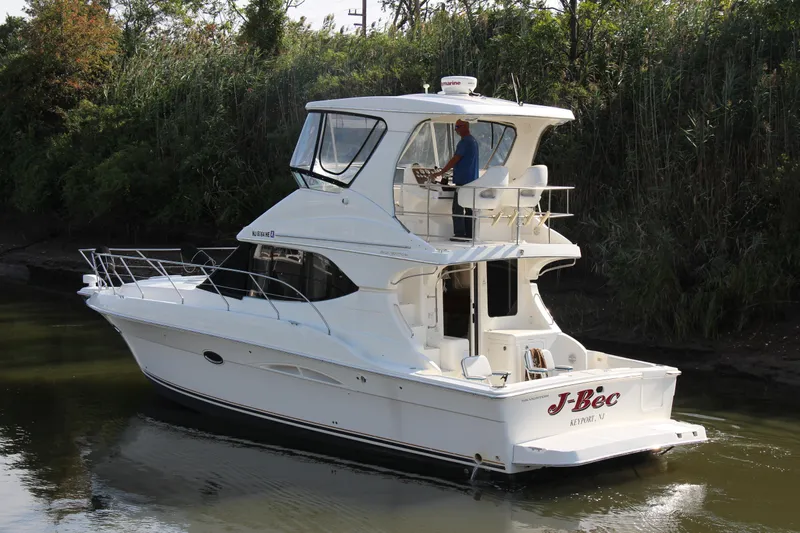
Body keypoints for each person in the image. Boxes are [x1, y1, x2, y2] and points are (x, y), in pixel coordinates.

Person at [431, 119, 479, 241]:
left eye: (457, 127)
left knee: (457, 208)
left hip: (463, 181)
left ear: (465, 126)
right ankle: (470, 235)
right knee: (469, 208)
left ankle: (459, 234)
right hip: (472, 180)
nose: (455, 130)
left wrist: (441, 172)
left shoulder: (464, 142)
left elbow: (455, 159)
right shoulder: (473, 141)